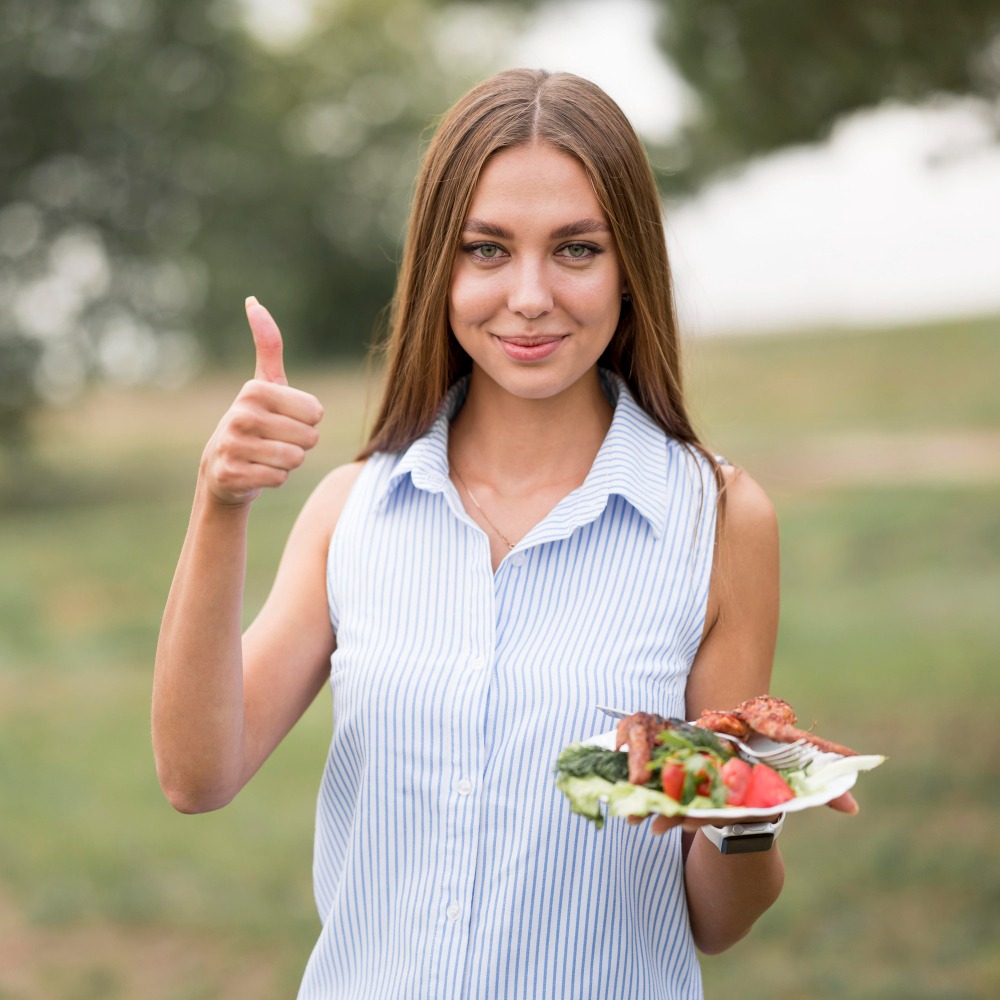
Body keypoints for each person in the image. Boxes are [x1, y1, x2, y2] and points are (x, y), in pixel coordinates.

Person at [153, 68, 857, 999]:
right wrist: (220, 503)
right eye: (486, 250)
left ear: (630, 269)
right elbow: (195, 777)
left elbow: (718, 922)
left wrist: (746, 811)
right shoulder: (351, 511)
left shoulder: (719, 520)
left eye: (576, 250)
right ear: (438, 268)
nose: (529, 295)